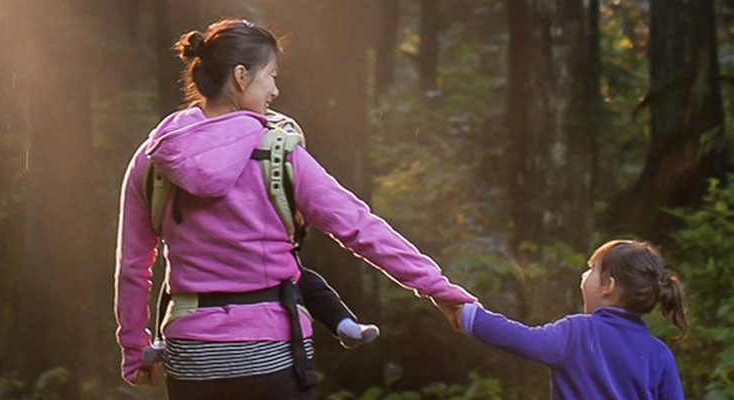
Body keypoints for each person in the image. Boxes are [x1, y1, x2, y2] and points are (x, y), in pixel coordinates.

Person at [113, 18, 477, 399]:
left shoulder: (155, 158)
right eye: (270, 76)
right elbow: (358, 227)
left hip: (193, 359)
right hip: (272, 353)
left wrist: (135, 349)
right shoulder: (279, 153)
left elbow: (133, 267)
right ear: (241, 77)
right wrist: (437, 288)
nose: (274, 89)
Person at [441, 240, 686, 399]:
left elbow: (522, 338)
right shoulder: (660, 355)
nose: (584, 275)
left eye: (592, 269)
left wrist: (471, 316)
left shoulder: (577, 332)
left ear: (608, 286)